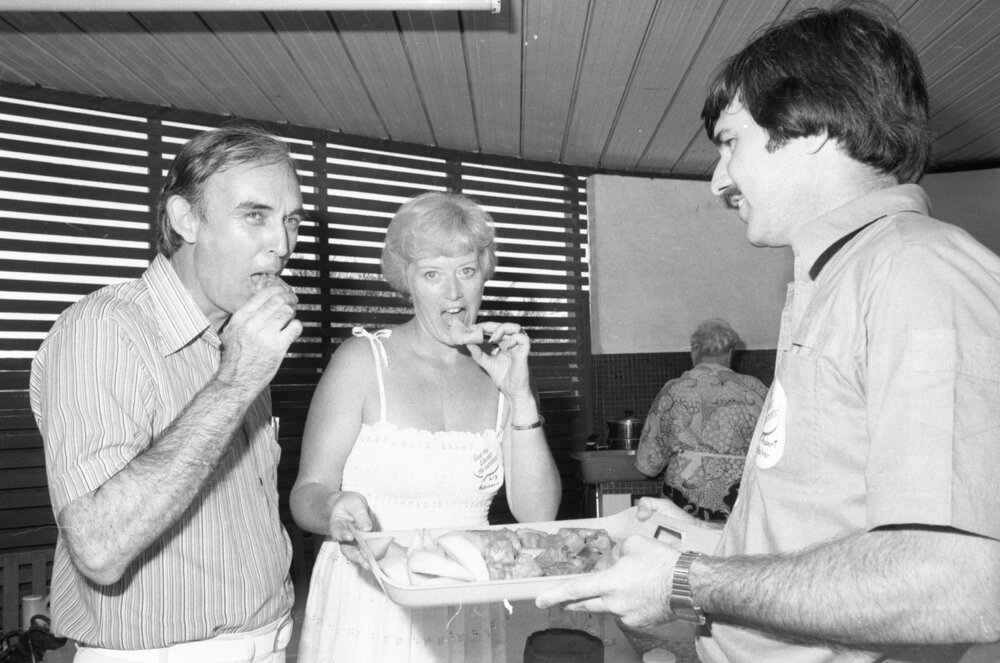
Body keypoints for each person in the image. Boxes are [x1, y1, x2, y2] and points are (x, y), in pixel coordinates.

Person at [537, 4, 1000, 662]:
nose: (717, 179)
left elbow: (960, 581)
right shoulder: (840, 278)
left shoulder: (917, 272)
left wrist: (687, 580)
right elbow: (833, 525)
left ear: (808, 126)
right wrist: (709, 540)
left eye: (731, 142)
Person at [30, 124, 306, 662]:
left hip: (269, 642)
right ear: (185, 219)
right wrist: (235, 382)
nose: (282, 243)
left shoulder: (235, 336)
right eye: (255, 215)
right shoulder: (104, 329)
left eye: (289, 219)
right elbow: (99, 549)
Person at [290, 191, 561, 662]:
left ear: (484, 275)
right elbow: (306, 493)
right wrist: (334, 506)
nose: (453, 293)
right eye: (432, 273)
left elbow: (538, 514)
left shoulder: (500, 373)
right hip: (368, 606)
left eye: (467, 271)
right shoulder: (362, 362)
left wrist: (520, 396)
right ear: (406, 280)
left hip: (465, 611)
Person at [636, 319, 767, 521]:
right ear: (731, 352)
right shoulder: (756, 390)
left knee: (684, 548)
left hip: (683, 500)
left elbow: (648, 462)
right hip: (740, 499)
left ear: (694, 351)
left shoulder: (673, 390)